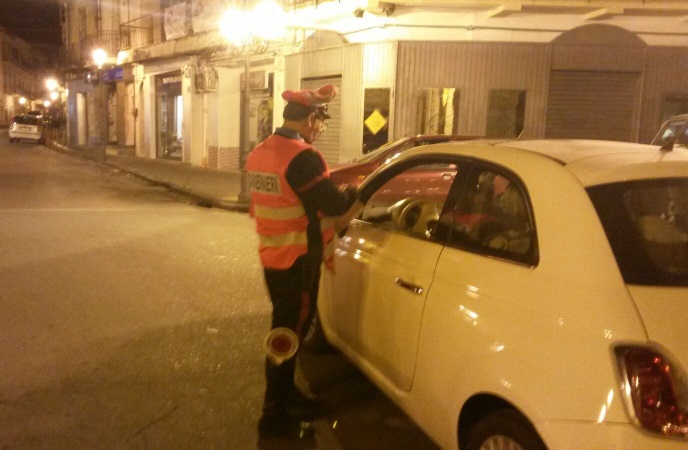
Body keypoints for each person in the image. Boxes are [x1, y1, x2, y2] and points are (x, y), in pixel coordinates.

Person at [246, 84, 359, 439]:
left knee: (286, 327)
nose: (321, 128)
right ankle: (275, 411)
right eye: (321, 121)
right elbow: (336, 205)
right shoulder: (302, 156)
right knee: (288, 332)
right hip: (296, 259)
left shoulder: (261, 152)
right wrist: (357, 191)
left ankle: (285, 394)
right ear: (311, 118)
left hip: (273, 255)